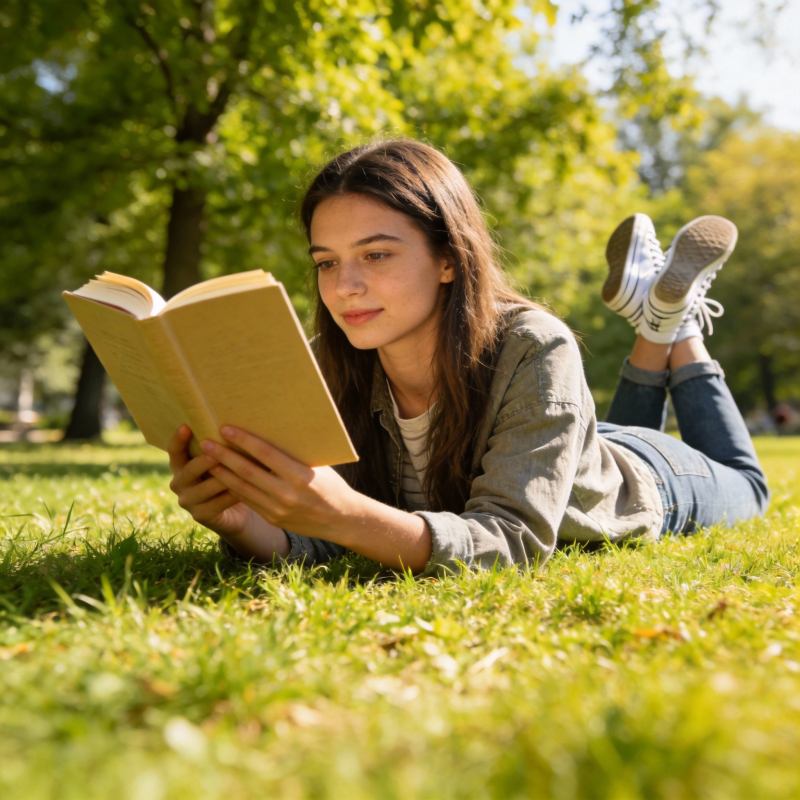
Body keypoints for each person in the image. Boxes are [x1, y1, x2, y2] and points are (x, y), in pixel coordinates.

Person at [166, 139, 769, 577]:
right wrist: (245, 525)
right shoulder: (330, 361)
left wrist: (344, 515)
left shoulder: (536, 344)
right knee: (592, 438)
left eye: (376, 255)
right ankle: (660, 317)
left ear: (449, 258)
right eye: (327, 261)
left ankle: (674, 324)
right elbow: (328, 537)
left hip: (649, 479)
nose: (344, 285)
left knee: (749, 485)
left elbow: (513, 539)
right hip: (563, 440)